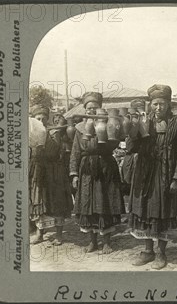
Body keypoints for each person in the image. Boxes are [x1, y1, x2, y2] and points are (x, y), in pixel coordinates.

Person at [128, 85, 177, 270]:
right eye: (155, 104)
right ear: (150, 104)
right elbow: (131, 148)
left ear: (168, 104)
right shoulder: (144, 122)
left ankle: (161, 253)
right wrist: (133, 130)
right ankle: (147, 251)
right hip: (144, 174)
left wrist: (176, 177)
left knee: (162, 212)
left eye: (162, 104)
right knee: (145, 211)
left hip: (165, 175)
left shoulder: (176, 124)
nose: (158, 108)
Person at [70, 92, 124, 254]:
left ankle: (107, 242)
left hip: (105, 167)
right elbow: (75, 153)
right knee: (88, 205)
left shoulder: (108, 125)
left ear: (100, 108)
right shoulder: (79, 129)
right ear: (84, 109)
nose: (92, 111)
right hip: (87, 169)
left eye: (95, 107)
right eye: (89, 108)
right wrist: (74, 174)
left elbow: (115, 144)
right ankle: (92, 242)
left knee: (105, 204)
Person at [29, 105, 73, 245]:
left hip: (53, 171)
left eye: (43, 118)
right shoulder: (31, 132)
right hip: (38, 170)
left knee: (56, 201)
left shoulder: (54, 132)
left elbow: (52, 152)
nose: (41, 121)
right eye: (38, 119)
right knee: (39, 200)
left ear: (48, 119)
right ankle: (39, 233)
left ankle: (59, 235)